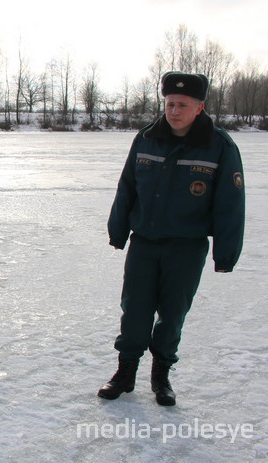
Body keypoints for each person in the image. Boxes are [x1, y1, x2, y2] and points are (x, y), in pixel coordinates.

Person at [99, 72, 245, 405]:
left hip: (186, 246)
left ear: (199, 107)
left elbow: (230, 204)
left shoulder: (219, 146)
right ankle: (125, 374)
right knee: (134, 309)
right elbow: (127, 188)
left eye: (182, 105)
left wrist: (226, 254)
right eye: (169, 104)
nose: (174, 110)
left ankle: (161, 376)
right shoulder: (147, 139)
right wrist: (118, 230)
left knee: (173, 313)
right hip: (145, 243)